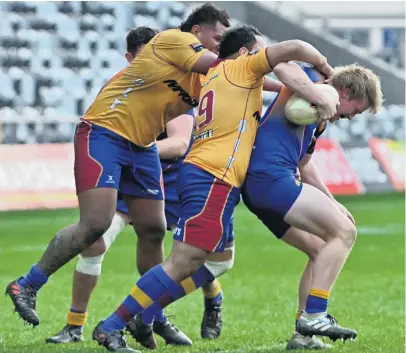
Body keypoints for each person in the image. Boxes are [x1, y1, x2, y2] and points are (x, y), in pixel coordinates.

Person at [91, 25, 338, 352]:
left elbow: (271, 81)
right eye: (259, 51)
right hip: (214, 175)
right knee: (184, 260)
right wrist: (325, 67)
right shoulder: (243, 66)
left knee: (205, 258)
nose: (262, 57)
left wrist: (301, 89)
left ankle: (134, 318)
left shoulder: (223, 74)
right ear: (244, 53)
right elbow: (294, 45)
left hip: (208, 174)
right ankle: (113, 325)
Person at [6, 2, 231, 337]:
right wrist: (264, 60)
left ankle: (148, 314)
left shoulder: (199, 78)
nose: (220, 44)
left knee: (154, 229)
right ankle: (27, 284)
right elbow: (225, 71)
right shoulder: (175, 42)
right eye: (217, 37)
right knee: (95, 225)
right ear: (197, 32)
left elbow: (226, 86)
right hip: (105, 134)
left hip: (141, 148)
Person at [242, 62, 382, 346]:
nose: (352, 117)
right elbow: (284, 67)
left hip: (264, 185)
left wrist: (334, 203)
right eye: (356, 109)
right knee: (344, 233)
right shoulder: (313, 86)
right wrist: (320, 85)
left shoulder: (316, 119)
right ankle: (316, 313)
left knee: (320, 248)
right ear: (345, 91)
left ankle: (302, 334)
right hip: (269, 179)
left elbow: (305, 165)